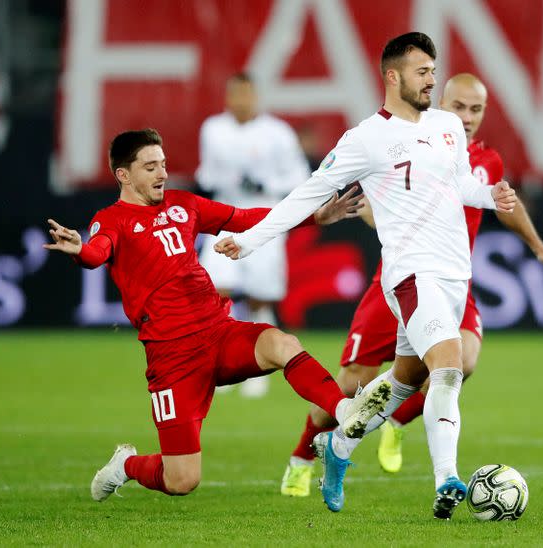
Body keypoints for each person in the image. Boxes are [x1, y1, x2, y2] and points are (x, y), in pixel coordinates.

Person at [215, 33, 519, 519]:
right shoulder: (365, 139)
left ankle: (337, 447)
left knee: (401, 382)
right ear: (393, 76)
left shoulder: (446, 126)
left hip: (454, 278)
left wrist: (489, 197)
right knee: (449, 364)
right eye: (423, 72)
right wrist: (250, 239)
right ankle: (447, 481)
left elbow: (459, 181)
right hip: (409, 276)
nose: (432, 80)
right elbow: (306, 194)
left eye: (433, 70)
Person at [43, 128, 391, 502]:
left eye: (162, 164)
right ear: (123, 175)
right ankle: (126, 466)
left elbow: (243, 217)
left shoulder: (182, 203)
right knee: (182, 480)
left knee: (281, 343)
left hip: (218, 332)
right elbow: (97, 252)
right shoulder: (112, 219)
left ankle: (346, 410)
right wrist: (80, 251)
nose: (161, 174)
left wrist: (313, 217)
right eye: (149, 167)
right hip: (172, 358)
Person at [279, 73, 543, 496]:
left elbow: (503, 203)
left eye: (476, 109)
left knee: (448, 367)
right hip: (402, 280)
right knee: (349, 384)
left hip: (452, 282)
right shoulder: (406, 144)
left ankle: (392, 431)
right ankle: (304, 457)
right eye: (458, 107)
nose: (467, 118)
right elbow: (369, 201)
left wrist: (538, 247)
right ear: (438, 103)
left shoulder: (487, 162)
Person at [196, 73, 312, 398]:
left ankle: (257, 366)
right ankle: (219, 361)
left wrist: (266, 186)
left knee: (260, 295)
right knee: (217, 289)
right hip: (225, 215)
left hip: (265, 220)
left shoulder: (278, 133)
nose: (242, 102)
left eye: (247, 95)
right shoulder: (213, 129)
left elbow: (299, 176)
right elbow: (205, 172)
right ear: (228, 98)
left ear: (255, 97)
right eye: (236, 95)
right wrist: (230, 179)